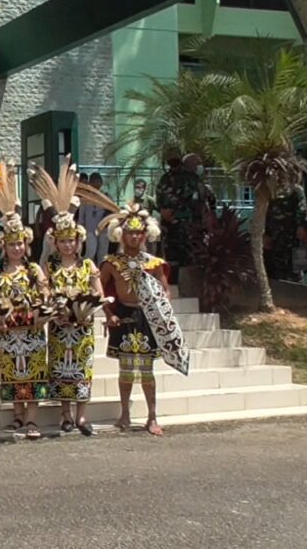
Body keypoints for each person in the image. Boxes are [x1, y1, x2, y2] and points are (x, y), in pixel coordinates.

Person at [78, 184, 192, 437]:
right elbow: (99, 289)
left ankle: (152, 416)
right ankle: (125, 415)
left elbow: (165, 293)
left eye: (139, 233)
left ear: (145, 235)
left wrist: (162, 316)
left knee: (147, 371)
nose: (134, 237)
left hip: (147, 318)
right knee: (126, 370)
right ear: (121, 234)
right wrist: (109, 314)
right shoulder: (111, 263)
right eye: (130, 232)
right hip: (124, 317)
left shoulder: (154, 264)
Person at [28, 161, 102, 437]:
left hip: (82, 327)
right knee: (61, 368)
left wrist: (88, 310)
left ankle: (82, 416)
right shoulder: (50, 267)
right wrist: (54, 311)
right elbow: (45, 293)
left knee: (82, 368)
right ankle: (66, 414)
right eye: (63, 241)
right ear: (55, 243)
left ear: (78, 241)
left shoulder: (88, 266)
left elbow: (98, 294)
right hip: (60, 326)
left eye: (71, 240)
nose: (68, 244)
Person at [0, 160, 49, 439]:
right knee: (12, 373)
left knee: (33, 372)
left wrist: (41, 315)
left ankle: (32, 420)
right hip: (9, 332)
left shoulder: (34, 270)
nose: (17, 248)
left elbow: (46, 296)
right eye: (12, 244)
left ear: (26, 244)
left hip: (32, 330)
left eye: (20, 243)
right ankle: (17, 416)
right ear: (3, 246)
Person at [156, 154, 200, 283]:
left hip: (179, 222)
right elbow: (160, 199)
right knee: (177, 255)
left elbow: (194, 201)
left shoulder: (169, 178)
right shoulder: (186, 178)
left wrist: (167, 212)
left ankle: (179, 283)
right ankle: (177, 284)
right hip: (179, 223)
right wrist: (164, 211)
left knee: (180, 255)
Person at [264, 182, 307, 281]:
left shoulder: (296, 190)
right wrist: (265, 234)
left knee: (299, 272)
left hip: (295, 239)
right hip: (276, 239)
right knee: (274, 272)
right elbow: (264, 214)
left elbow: (304, 211)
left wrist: (302, 226)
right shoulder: (269, 190)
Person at [79, 172, 110, 262]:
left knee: (103, 253)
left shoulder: (106, 196)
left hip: (103, 229)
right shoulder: (85, 197)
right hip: (90, 229)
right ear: (90, 183)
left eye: (97, 181)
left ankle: (101, 270)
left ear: (101, 183)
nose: (96, 183)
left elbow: (112, 211)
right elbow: (81, 214)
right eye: (93, 181)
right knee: (90, 252)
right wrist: (81, 226)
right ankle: (86, 269)